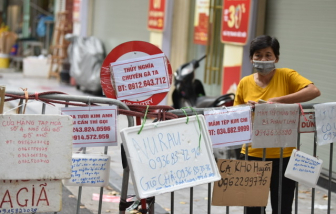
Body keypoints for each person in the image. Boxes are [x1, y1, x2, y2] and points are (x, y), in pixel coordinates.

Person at [234, 35, 321, 214]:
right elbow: (237, 116)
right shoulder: (244, 83)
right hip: (252, 155)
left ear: (277, 58)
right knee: (252, 210)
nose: (263, 60)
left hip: (284, 156)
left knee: (282, 208)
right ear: (251, 58)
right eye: (258, 55)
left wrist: (276, 101)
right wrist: (248, 111)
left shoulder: (287, 75)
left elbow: (313, 91)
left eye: (268, 55)